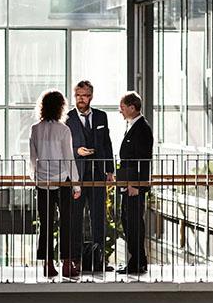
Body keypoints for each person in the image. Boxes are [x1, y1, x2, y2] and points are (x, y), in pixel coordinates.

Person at [30, 89, 82, 279]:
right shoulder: (64, 130)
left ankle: (48, 264)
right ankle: (67, 264)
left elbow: (32, 158)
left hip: (43, 181)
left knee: (46, 224)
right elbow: (69, 159)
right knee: (66, 222)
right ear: (61, 107)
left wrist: (35, 178)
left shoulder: (35, 129)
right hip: (63, 181)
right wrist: (76, 185)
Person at [65, 80, 115, 273]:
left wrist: (109, 170)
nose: (81, 99)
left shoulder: (102, 116)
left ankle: (99, 260)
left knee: (98, 218)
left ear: (91, 96)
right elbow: (65, 147)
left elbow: (107, 143)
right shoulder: (68, 118)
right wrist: (78, 151)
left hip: (97, 175)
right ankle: (76, 260)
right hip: (77, 176)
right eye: (78, 95)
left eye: (84, 95)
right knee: (75, 218)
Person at [116, 91, 152, 275]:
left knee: (133, 223)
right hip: (128, 184)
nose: (119, 111)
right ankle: (138, 260)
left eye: (122, 107)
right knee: (128, 220)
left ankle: (137, 261)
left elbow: (143, 159)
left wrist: (137, 185)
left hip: (134, 186)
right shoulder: (133, 127)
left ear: (132, 107)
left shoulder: (142, 129)